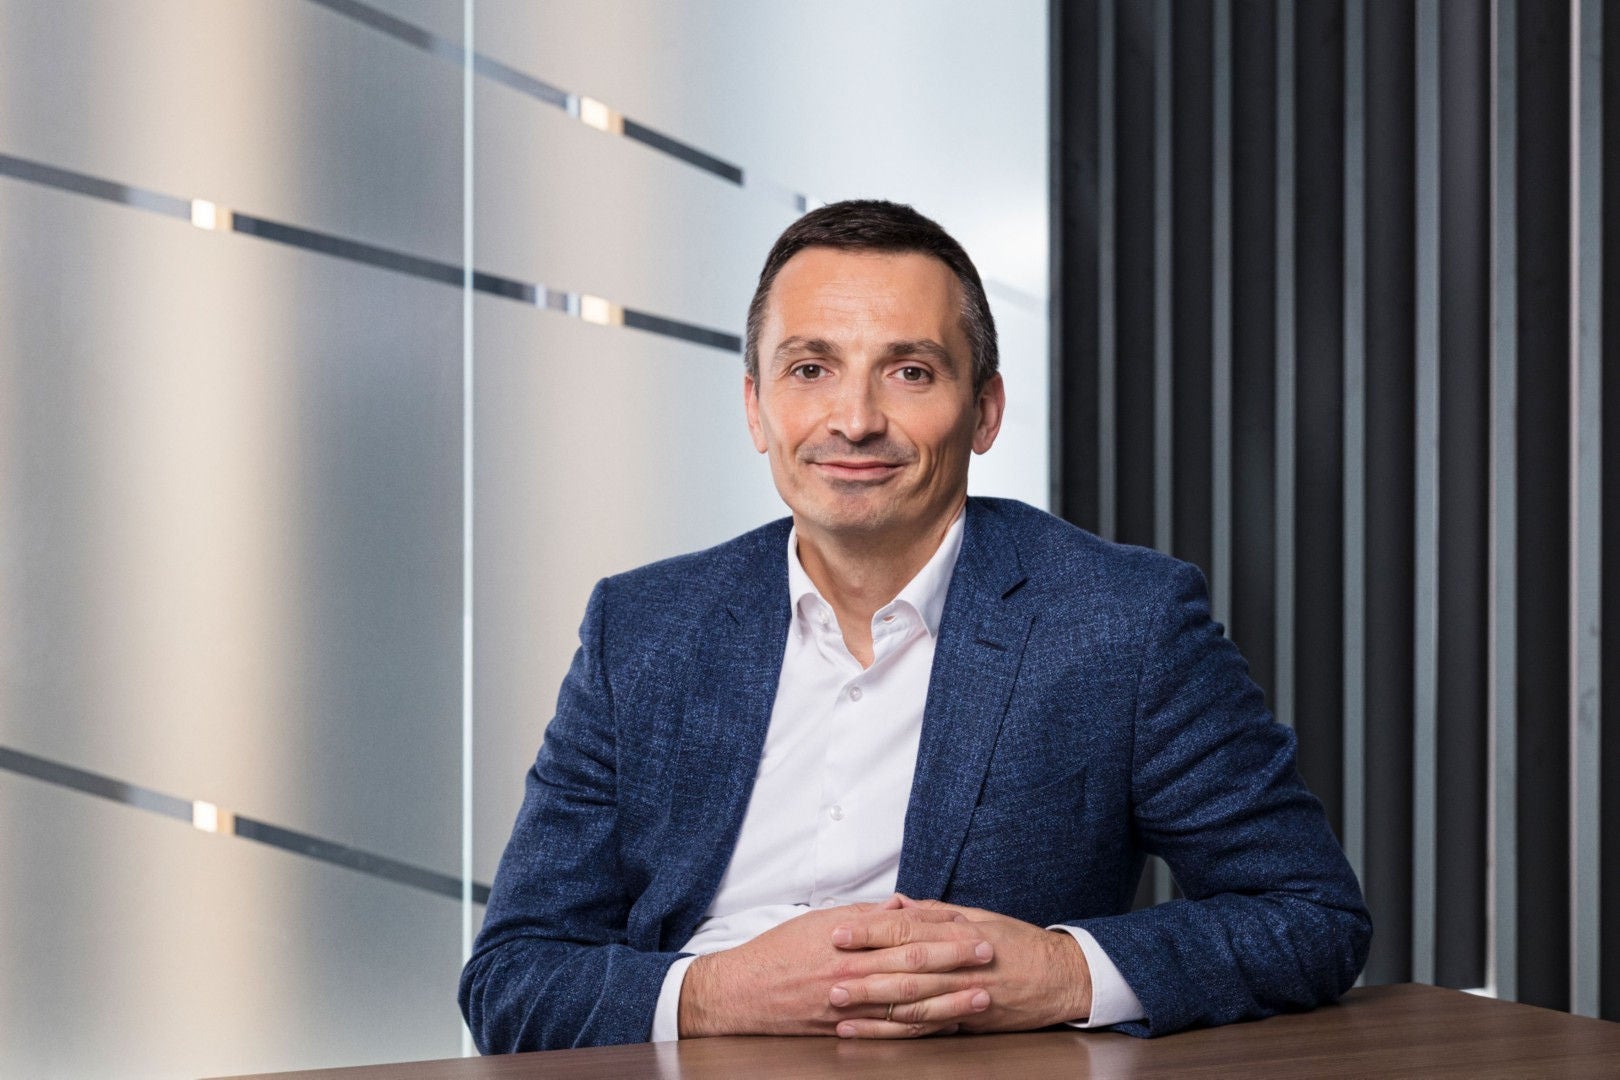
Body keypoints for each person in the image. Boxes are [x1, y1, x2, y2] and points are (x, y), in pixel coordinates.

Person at [459, 200, 1370, 1052]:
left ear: (985, 411)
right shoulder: (642, 629)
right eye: (810, 369)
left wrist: (1059, 973)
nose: (856, 421)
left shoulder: (1122, 622)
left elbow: (1309, 914)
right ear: (755, 408)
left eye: (910, 372)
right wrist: (719, 994)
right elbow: (511, 978)